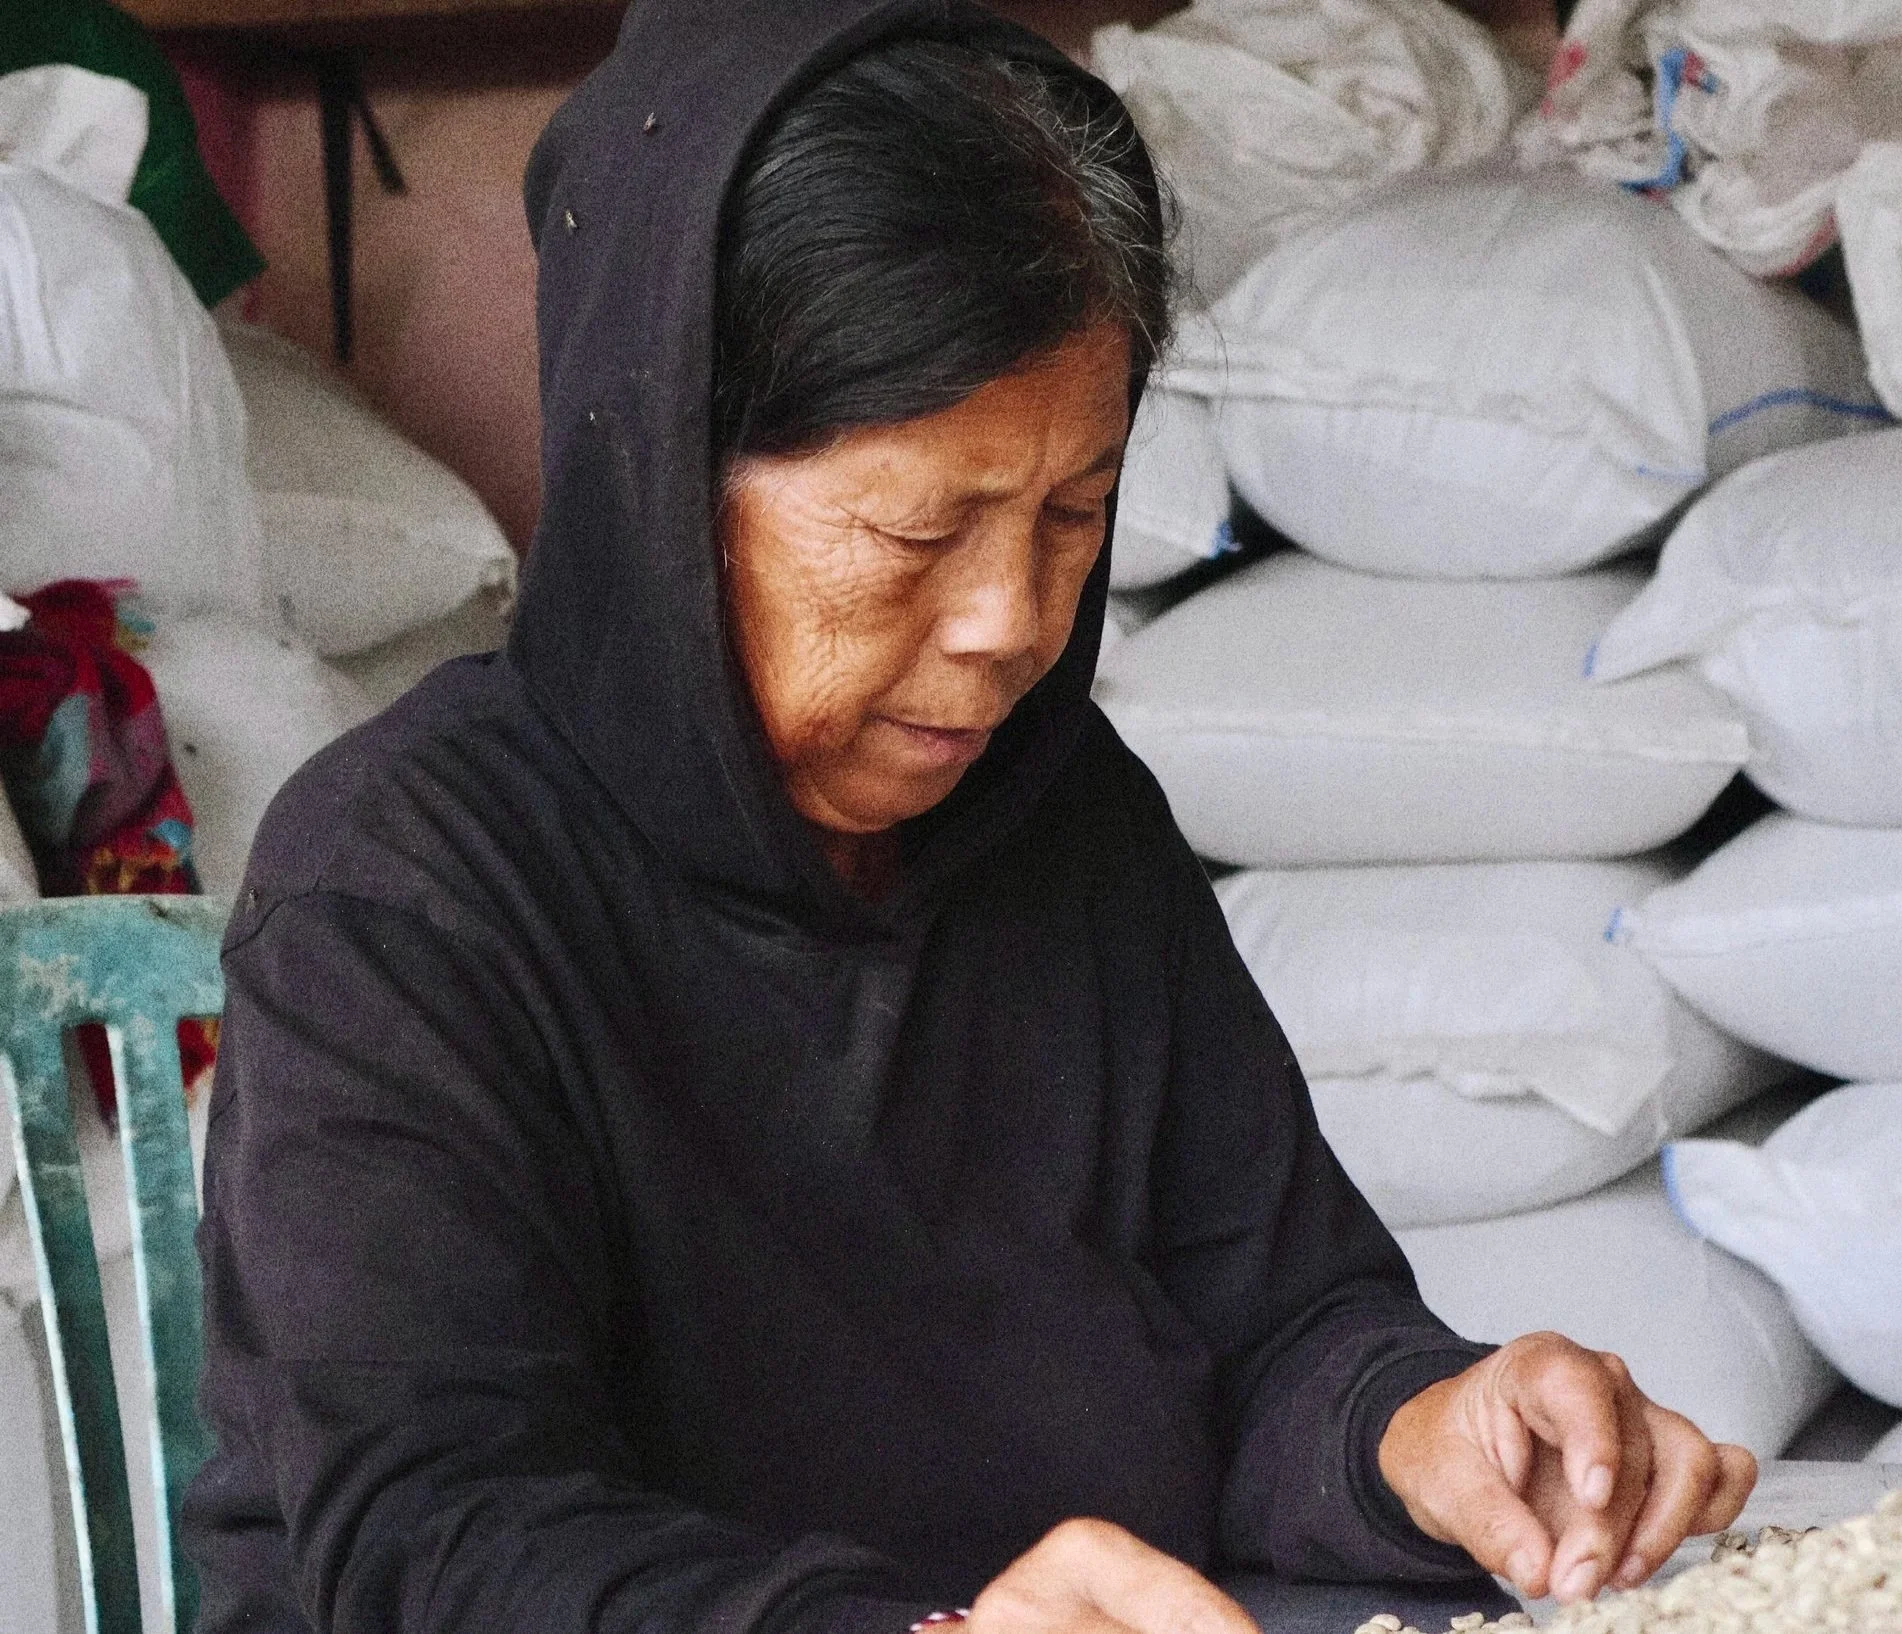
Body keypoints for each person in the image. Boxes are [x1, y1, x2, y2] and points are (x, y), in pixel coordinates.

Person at [184, 1, 1758, 1630]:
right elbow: (443, 1535)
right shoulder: (404, 892)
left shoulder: (1066, 826)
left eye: (1074, 511)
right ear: (660, 472)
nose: (1012, 619)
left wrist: (1416, 1433)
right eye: (919, 529)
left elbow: (1275, 1325)